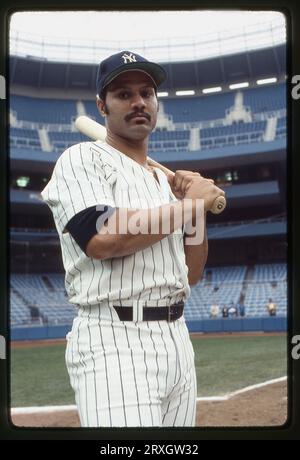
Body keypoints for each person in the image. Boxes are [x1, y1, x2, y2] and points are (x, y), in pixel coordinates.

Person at [41, 50, 224, 427]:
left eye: (147, 93)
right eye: (123, 94)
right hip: (115, 339)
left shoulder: (164, 182)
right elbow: (101, 238)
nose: (139, 101)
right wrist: (190, 208)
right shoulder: (82, 158)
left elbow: (191, 271)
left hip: (177, 337)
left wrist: (197, 211)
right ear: (102, 106)